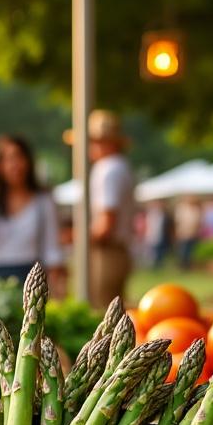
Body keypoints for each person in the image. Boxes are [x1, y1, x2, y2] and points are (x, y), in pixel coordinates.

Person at [0, 134, 65, 288]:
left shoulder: (43, 199)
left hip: (32, 271)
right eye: (9, 159)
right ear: (0, 165)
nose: (15, 165)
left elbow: (52, 245)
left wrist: (55, 279)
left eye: (19, 158)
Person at [87, 109, 135, 307]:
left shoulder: (108, 169)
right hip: (117, 251)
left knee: (101, 313)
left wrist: (77, 239)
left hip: (107, 252)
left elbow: (106, 223)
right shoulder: (120, 166)